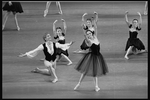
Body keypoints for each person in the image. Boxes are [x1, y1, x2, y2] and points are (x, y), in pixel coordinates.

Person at [74, 24, 108, 92]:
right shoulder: (89, 41)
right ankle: (79, 83)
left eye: (90, 33)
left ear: (92, 33)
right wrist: (83, 29)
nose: (89, 35)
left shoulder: (95, 37)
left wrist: (95, 17)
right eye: (88, 34)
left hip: (98, 56)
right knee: (85, 71)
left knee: (95, 72)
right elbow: (85, 36)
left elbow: (96, 27)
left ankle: (96, 86)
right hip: (92, 57)